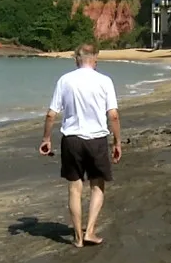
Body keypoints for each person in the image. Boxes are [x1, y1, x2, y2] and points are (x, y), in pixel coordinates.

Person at [38, 44, 122, 248]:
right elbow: (113, 115)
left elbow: (51, 114)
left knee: (75, 188)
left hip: (72, 140)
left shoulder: (65, 80)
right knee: (97, 185)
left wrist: (46, 139)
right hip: (96, 140)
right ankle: (90, 231)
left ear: (77, 59)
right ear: (95, 59)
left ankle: (77, 237)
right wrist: (117, 142)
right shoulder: (104, 81)